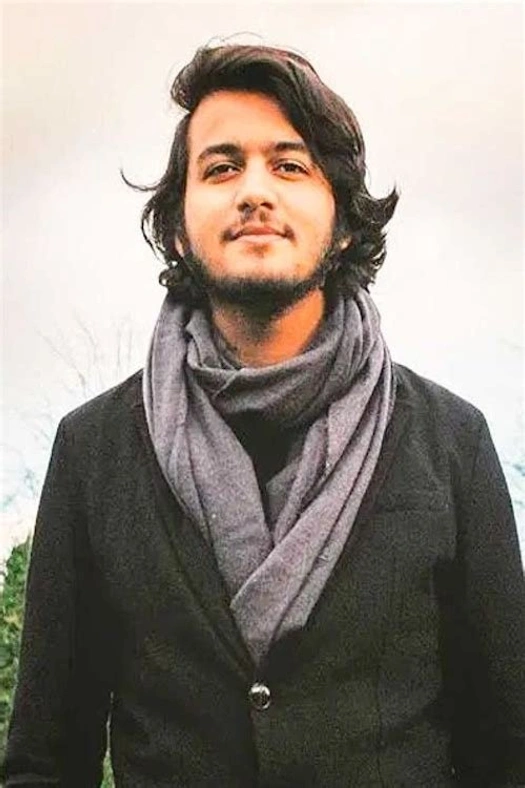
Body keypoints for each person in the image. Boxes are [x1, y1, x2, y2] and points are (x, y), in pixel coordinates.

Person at [3, 43, 525, 788]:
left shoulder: (451, 442)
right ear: (177, 227)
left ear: (343, 223)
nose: (254, 191)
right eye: (221, 168)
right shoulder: (94, 449)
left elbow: (505, 751)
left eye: (289, 165)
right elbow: (46, 760)